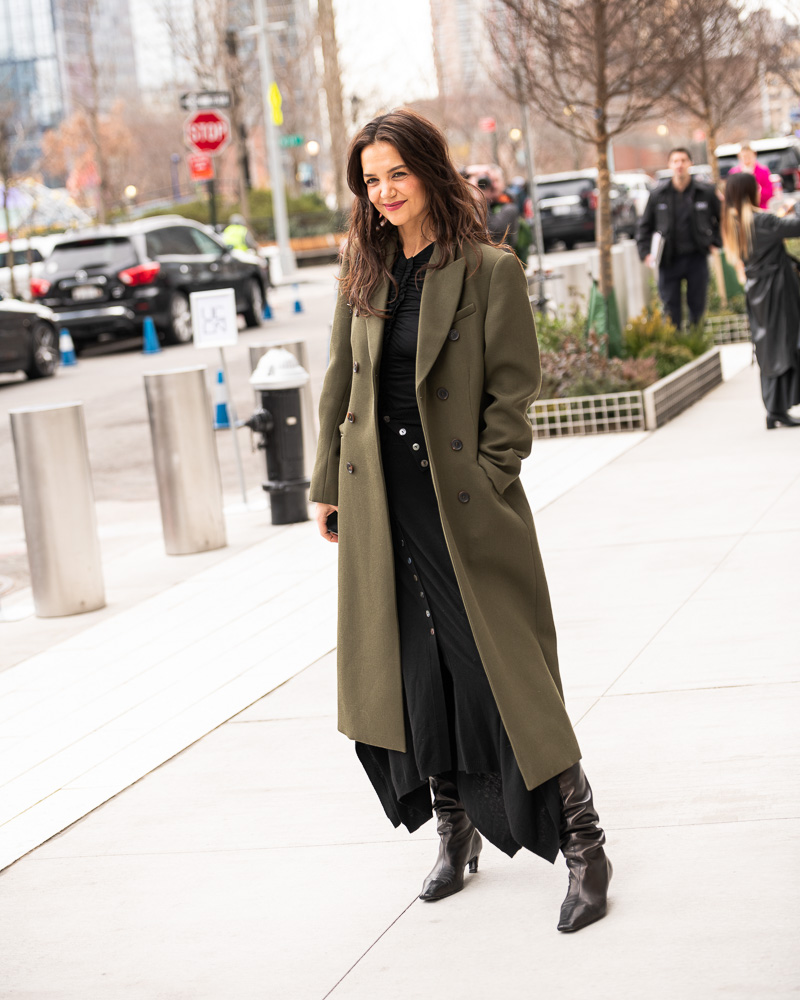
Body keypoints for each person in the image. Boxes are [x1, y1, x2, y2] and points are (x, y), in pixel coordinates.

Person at [310, 108, 612, 933]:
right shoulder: (363, 271)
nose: (384, 193)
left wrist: (490, 471)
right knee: (418, 674)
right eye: (371, 182)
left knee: (503, 676)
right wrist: (328, 486)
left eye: (396, 174)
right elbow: (341, 383)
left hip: (465, 509)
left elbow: (512, 391)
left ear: (429, 171)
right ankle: (455, 832)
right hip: (385, 508)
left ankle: (586, 846)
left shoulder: (487, 269)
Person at [721, 171, 800, 429]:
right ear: (749, 191)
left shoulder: (733, 223)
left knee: (769, 347)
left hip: (757, 292)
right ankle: (777, 408)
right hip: (777, 289)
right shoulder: (762, 220)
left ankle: (774, 408)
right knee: (783, 346)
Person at [637, 147, 721, 329]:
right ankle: (677, 348)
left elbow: (722, 220)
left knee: (697, 307)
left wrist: (715, 242)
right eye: (675, 161)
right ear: (669, 165)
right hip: (668, 260)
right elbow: (644, 226)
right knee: (670, 308)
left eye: (683, 160)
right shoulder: (658, 194)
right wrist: (645, 253)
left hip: (696, 258)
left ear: (690, 163)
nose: (679, 165)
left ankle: (697, 341)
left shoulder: (705, 191)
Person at [464, 164, 522, 257]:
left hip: (501, 260)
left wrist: (482, 199)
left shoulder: (509, 207)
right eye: (488, 181)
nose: (492, 185)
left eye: (496, 180)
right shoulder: (474, 203)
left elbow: (492, 231)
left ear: (504, 183)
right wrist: (467, 172)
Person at [728, 144, 774, 210]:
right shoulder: (734, 173)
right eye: (744, 157)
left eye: (749, 157)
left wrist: (758, 191)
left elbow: (769, 192)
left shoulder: (763, 171)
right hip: (741, 209)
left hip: (760, 208)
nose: (747, 160)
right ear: (739, 157)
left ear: (754, 155)